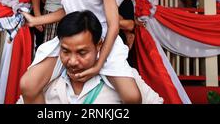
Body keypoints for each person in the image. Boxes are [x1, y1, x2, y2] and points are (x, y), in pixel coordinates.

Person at [17, 10, 163, 104]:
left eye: (82, 53)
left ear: (99, 45)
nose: (72, 61)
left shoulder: (124, 77)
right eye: (66, 51)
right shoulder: (46, 82)